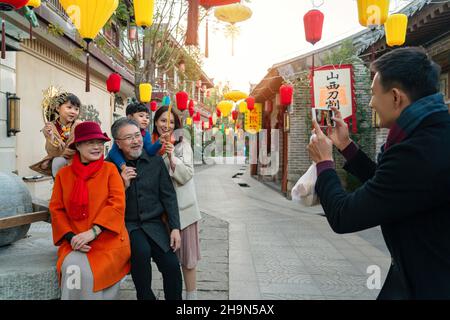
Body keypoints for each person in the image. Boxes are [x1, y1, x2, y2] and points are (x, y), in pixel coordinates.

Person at [307, 47, 450, 299]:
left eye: (374, 94)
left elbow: (344, 216)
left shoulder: (418, 151)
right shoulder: (433, 134)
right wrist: (346, 147)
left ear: (396, 97)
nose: (371, 103)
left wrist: (324, 162)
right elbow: (390, 185)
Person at [49, 121, 131, 300]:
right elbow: (57, 209)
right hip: (76, 241)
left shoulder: (110, 170)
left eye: (100, 143)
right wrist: (71, 237)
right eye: (90, 142)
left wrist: (93, 232)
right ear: (77, 145)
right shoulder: (64, 174)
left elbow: (117, 204)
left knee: (91, 274)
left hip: (107, 238)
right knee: (74, 269)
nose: (97, 147)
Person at [107, 117, 182, 300]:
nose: (135, 141)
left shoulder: (155, 161)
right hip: (129, 225)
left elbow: (168, 196)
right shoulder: (110, 167)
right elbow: (107, 203)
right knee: (141, 253)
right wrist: (121, 184)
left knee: (172, 266)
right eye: (129, 138)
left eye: (137, 136)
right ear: (118, 143)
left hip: (155, 224)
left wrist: (175, 227)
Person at [152, 106, 202, 300]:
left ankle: (192, 299)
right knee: (168, 262)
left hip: (184, 212)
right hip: (161, 214)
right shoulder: (150, 146)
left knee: (187, 260)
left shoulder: (182, 145)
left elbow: (187, 174)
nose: (167, 125)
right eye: (163, 121)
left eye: (171, 122)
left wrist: (172, 156)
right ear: (155, 122)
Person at [30, 93, 82, 177]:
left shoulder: (79, 125)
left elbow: (78, 148)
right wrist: (50, 136)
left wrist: (56, 156)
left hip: (77, 163)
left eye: (76, 109)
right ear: (58, 108)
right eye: (69, 107)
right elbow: (52, 152)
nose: (73, 112)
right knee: (58, 161)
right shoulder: (51, 127)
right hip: (60, 165)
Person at [108, 101, 168, 171]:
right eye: (141, 116)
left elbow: (150, 151)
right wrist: (123, 166)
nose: (145, 119)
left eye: (147, 117)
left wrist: (159, 142)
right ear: (130, 117)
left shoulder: (146, 134)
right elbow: (113, 152)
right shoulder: (121, 135)